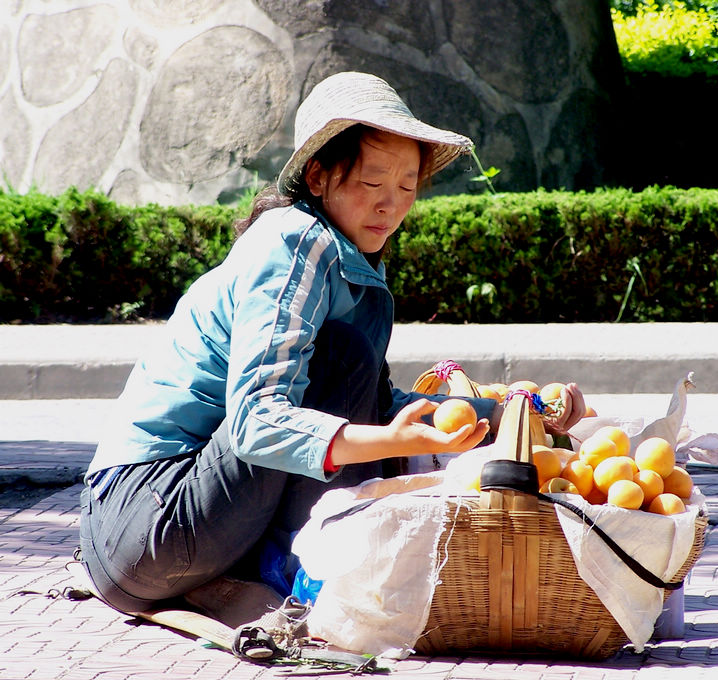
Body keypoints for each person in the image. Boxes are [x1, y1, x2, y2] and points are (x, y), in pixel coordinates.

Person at [79, 71, 585, 614]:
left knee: (350, 370)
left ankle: (301, 567)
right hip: (147, 523)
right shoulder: (296, 244)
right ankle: (324, 571)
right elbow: (256, 422)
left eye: (407, 186)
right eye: (372, 183)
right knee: (342, 357)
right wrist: (391, 443)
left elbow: (379, 407)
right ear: (318, 177)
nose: (390, 205)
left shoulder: (349, 259)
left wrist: (518, 413)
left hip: (175, 536)